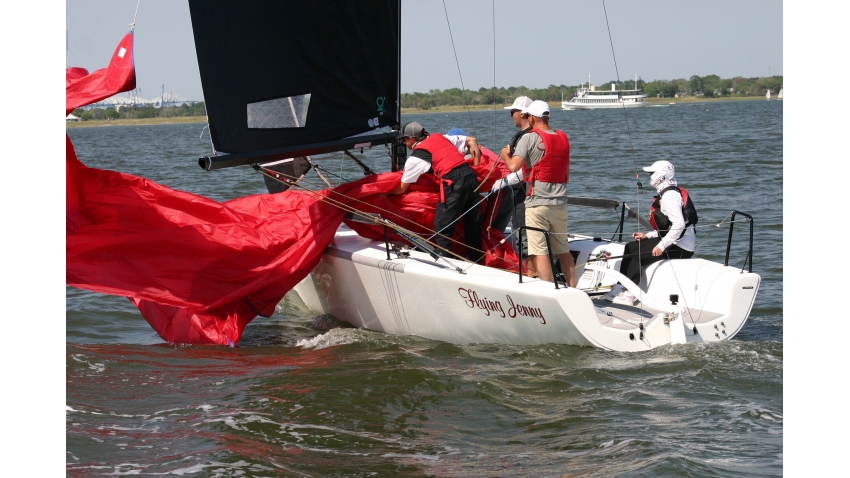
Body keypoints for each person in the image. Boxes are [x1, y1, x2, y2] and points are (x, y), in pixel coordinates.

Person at [502, 100, 576, 286]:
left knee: (540, 250)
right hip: (560, 202)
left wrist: (505, 155)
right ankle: (574, 288)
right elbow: (566, 171)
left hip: (537, 202)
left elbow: (513, 167)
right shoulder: (563, 137)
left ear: (532, 117)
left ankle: (548, 289)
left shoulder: (529, 138)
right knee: (563, 250)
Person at [389, 121, 484, 262]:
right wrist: (477, 165)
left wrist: (386, 192)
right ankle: (478, 261)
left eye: (404, 139)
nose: (405, 143)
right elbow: (472, 141)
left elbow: (402, 188)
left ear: (412, 139)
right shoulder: (442, 137)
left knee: (441, 227)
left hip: (454, 182)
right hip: (470, 177)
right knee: (472, 225)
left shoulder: (416, 158)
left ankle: (446, 263)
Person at [606, 160, 697, 305]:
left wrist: (661, 246)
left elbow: (679, 225)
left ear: (662, 175)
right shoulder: (668, 193)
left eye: (652, 173)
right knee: (630, 247)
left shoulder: (669, 196)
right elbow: (668, 228)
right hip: (674, 240)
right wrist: (647, 235)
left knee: (636, 254)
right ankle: (620, 286)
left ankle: (630, 294)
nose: (649, 177)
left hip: (682, 246)